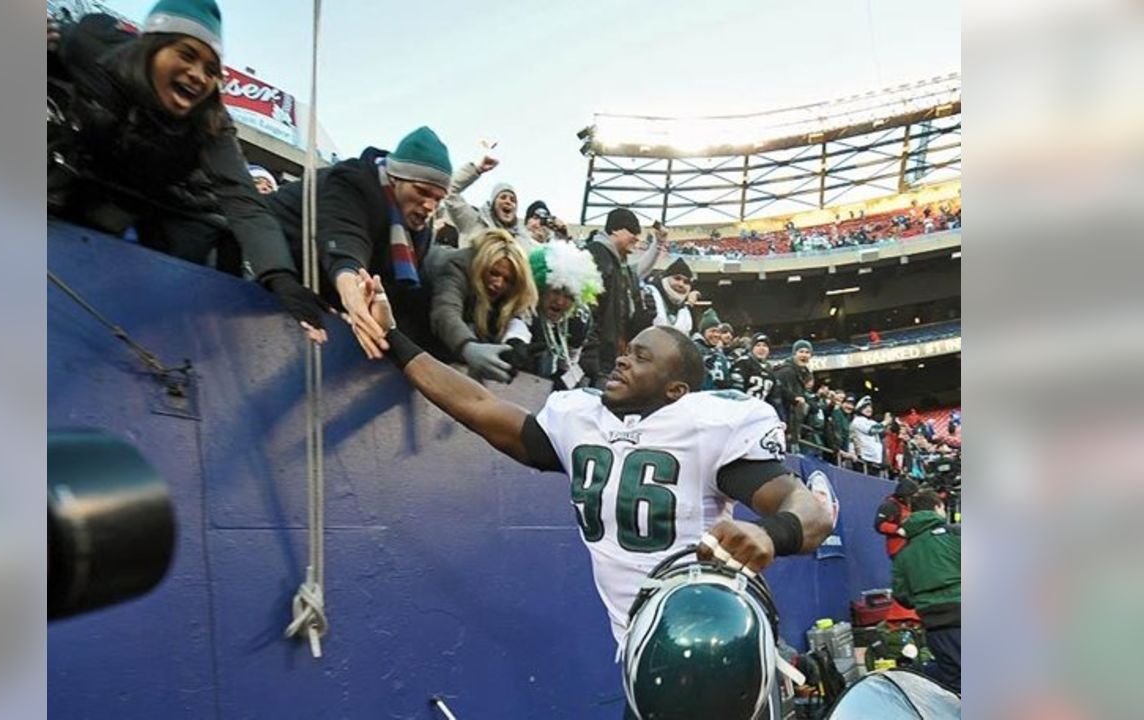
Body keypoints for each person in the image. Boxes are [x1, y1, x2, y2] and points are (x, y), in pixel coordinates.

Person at [363, 278, 832, 673]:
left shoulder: (707, 427)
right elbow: (480, 407)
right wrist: (394, 339)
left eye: (644, 358)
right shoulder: (581, 418)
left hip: (714, 644)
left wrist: (770, 534)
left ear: (677, 390)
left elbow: (809, 512)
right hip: (639, 649)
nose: (624, 359)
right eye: (630, 350)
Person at [46, 0, 329, 342]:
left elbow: (243, 200)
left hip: (168, 206)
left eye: (211, 69)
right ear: (151, 46)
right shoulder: (91, 43)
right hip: (89, 180)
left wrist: (280, 276)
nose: (198, 75)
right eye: (186, 55)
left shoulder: (211, 122)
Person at [266, 125, 453, 359]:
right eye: (422, 192)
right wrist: (353, 292)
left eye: (438, 198)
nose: (429, 207)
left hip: (323, 301)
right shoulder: (351, 182)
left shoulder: (420, 235)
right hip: (262, 270)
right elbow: (345, 240)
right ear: (396, 178)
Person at [425, 229, 538, 381]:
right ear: (481, 266)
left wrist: (515, 341)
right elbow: (445, 311)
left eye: (507, 280)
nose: (498, 283)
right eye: (494, 273)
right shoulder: (459, 266)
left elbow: (515, 313)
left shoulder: (506, 293)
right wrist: (467, 347)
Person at [503, 242, 603, 390]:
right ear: (541, 287)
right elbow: (517, 327)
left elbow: (571, 362)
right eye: (555, 291)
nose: (560, 301)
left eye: (569, 296)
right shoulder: (528, 305)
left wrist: (563, 381)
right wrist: (516, 344)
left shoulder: (578, 319)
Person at [891, 489, 961, 694]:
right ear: (938, 508)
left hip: (936, 627)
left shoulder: (903, 553)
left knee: (956, 685)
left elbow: (902, 596)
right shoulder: (956, 534)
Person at [583, 209, 660, 388]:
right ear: (616, 229)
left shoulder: (620, 266)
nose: (636, 238)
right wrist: (590, 353)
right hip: (597, 361)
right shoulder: (597, 255)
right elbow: (588, 309)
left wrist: (642, 317)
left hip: (610, 359)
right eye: (632, 231)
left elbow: (620, 319)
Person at [442, 154, 531, 250]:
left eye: (513, 200)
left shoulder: (523, 239)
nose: (508, 201)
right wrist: (477, 170)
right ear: (492, 204)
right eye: (503, 197)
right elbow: (449, 190)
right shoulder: (473, 222)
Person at [772, 339, 813, 448]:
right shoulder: (786, 371)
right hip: (783, 425)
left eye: (807, 352)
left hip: (793, 428)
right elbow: (780, 397)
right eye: (801, 351)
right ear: (794, 353)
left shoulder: (802, 374)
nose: (804, 355)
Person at [642, 258, 699, 334]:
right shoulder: (648, 295)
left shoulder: (685, 310)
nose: (681, 284)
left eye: (686, 282)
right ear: (665, 278)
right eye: (677, 278)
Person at [874, 477, 919, 557]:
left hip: (912, 546)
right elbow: (879, 525)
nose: (913, 499)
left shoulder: (911, 505)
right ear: (905, 495)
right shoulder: (890, 506)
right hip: (898, 548)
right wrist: (897, 529)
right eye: (911, 496)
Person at [691, 309, 732, 391]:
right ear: (703, 332)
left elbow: (726, 382)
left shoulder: (720, 354)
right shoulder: (693, 350)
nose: (716, 335)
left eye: (718, 331)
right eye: (712, 331)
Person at [730, 332, 776, 403]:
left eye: (765, 345)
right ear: (752, 348)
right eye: (758, 345)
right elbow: (736, 391)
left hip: (760, 410)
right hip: (743, 408)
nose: (762, 348)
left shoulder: (770, 369)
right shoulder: (743, 362)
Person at [850, 396, 890, 475]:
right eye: (866, 407)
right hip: (864, 459)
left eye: (870, 407)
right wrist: (885, 422)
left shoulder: (871, 421)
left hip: (875, 460)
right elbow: (872, 430)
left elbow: (882, 432)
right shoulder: (858, 421)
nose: (869, 409)